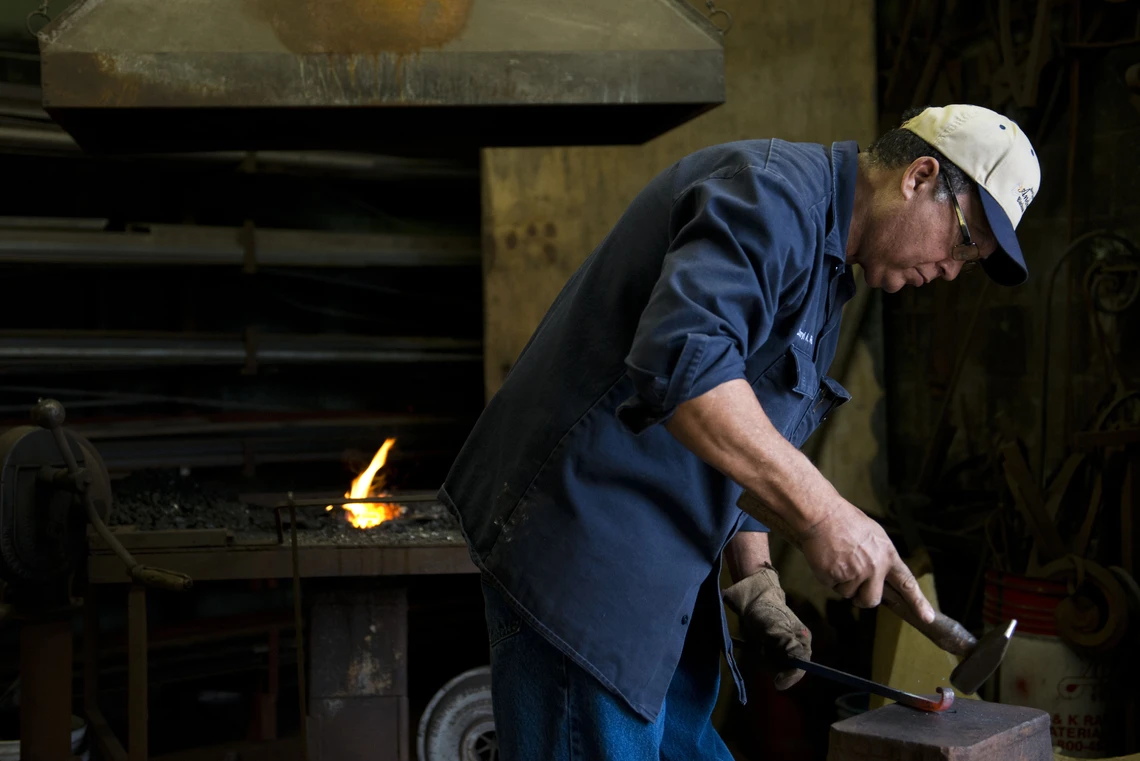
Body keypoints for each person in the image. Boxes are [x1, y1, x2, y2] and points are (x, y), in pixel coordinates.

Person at [438, 104, 1041, 760]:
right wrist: (822, 512)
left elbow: (748, 429)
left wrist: (755, 577)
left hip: (662, 579)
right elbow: (683, 365)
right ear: (919, 177)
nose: (954, 270)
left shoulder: (830, 271)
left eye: (971, 260)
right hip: (585, 564)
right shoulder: (769, 195)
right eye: (963, 241)